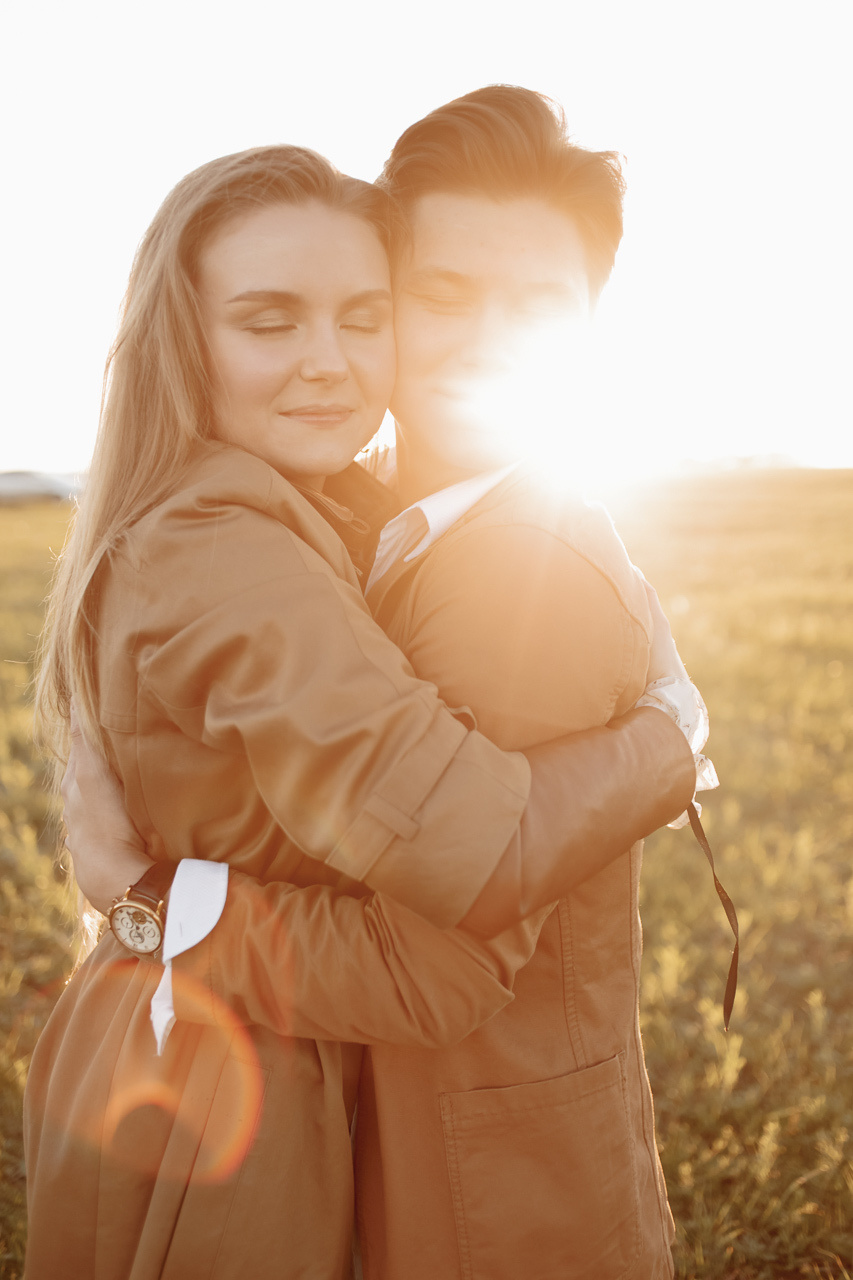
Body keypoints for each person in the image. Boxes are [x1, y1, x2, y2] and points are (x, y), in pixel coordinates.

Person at [26, 140, 696, 1280]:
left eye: (361, 316)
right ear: (181, 337)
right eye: (269, 320)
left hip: (202, 1056)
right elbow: (469, 881)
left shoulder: (289, 510)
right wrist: (667, 741)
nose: (328, 364)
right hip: (228, 1090)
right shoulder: (229, 546)